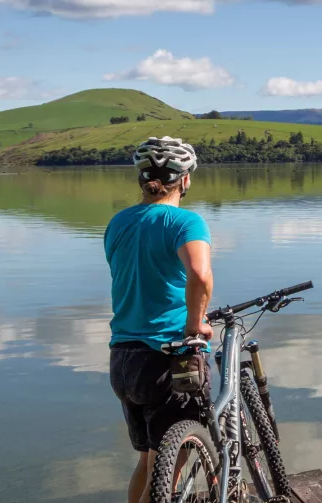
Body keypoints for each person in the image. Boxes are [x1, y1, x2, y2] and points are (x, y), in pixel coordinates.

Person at [105, 137, 214, 503]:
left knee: (150, 459)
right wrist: (196, 323)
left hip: (123, 360)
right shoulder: (184, 221)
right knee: (171, 466)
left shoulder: (118, 223)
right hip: (165, 358)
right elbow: (199, 275)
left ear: (142, 179)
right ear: (184, 181)